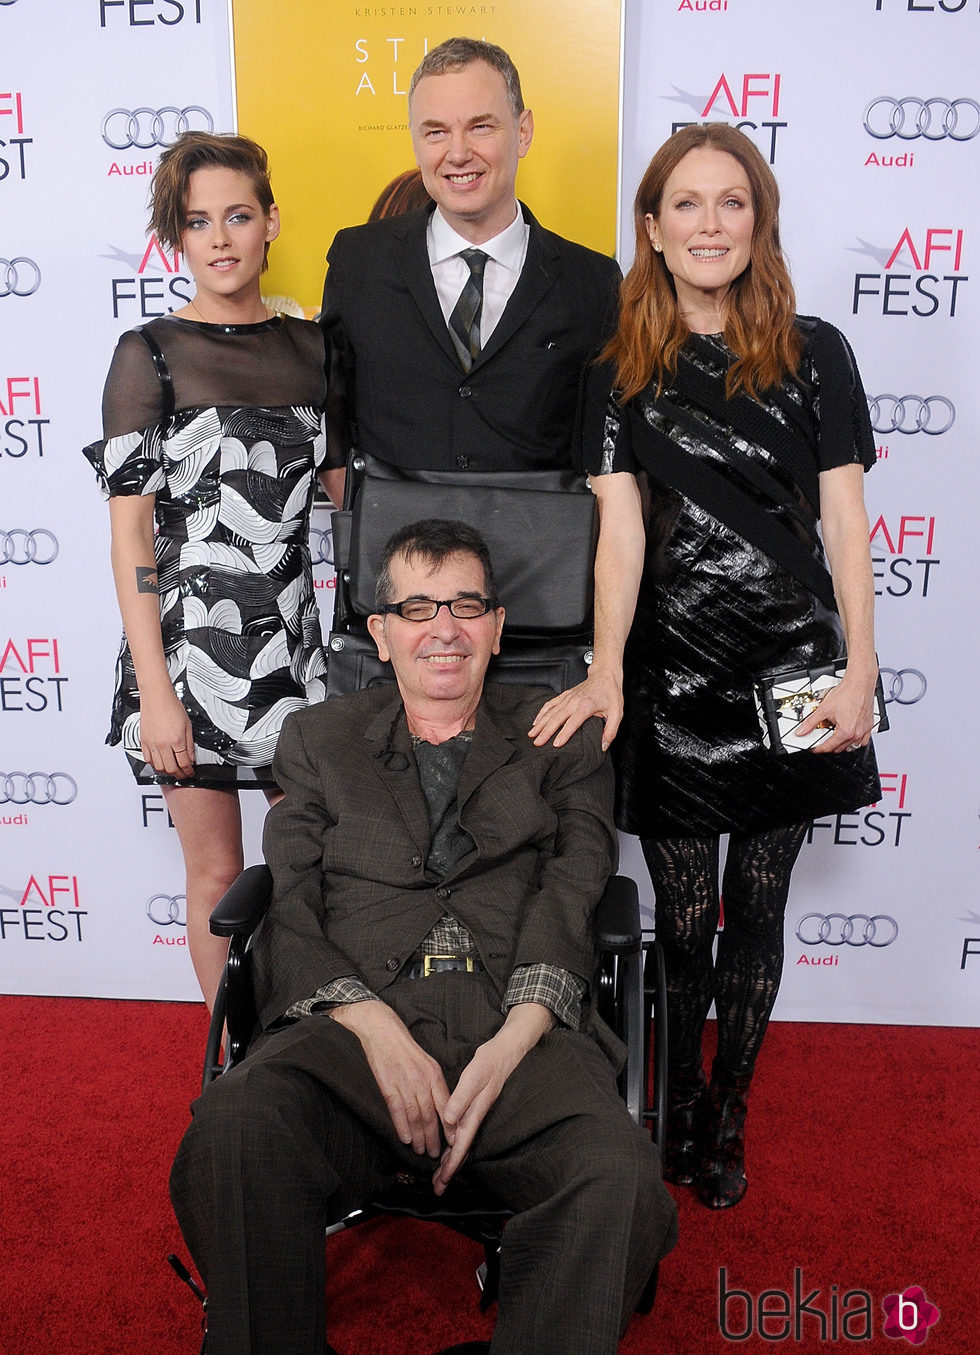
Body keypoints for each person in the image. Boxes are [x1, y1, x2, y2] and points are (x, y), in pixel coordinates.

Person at [169, 519, 678, 1355]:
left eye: (466, 604)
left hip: (518, 1027)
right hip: (350, 1031)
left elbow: (577, 884)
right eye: (416, 607)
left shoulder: (564, 737)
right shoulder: (318, 738)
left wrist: (520, 1032)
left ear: (499, 623)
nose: (443, 628)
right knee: (234, 1125)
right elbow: (291, 898)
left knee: (619, 1175)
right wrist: (369, 1023)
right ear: (380, 630)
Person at [534, 124, 882, 1210]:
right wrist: (605, 673)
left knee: (758, 908)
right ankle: (673, 1105)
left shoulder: (813, 348)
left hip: (789, 673)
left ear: (757, 220)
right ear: (650, 226)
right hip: (674, 673)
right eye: (684, 204)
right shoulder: (617, 370)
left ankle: (725, 1113)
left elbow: (842, 520)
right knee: (682, 921)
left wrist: (860, 669)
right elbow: (620, 537)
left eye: (730, 202)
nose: (708, 224)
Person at [83, 132, 332, 1010]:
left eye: (238, 215)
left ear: (271, 222)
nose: (221, 238)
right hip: (186, 658)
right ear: (175, 239)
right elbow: (132, 540)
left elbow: (355, 502)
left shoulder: (316, 351)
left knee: (312, 869)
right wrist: (155, 689)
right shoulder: (146, 355)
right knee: (216, 871)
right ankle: (239, 1068)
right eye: (198, 222)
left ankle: (310, 1048)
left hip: (298, 660)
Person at [319, 36, 621, 483]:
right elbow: (329, 416)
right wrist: (366, 520)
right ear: (416, 141)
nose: (458, 153)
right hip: (392, 547)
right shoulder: (358, 261)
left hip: (537, 548)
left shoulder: (592, 281)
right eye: (436, 131)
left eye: (481, 127)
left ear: (523, 132)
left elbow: (605, 448)